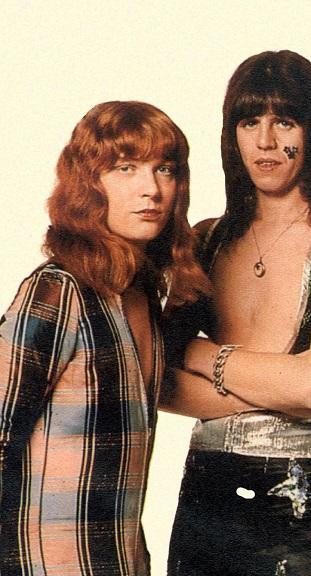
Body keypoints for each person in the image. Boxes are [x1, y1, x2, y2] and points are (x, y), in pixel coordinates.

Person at [161, 50, 311, 576]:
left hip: (300, 501)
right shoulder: (205, 239)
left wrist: (199, 353)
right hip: (204, 498)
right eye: (249, 122)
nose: (265, 141)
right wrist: (285, 392)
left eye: (284, 121)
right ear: (232, 135)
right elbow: (154, 382)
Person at [0, 101, 208, 575]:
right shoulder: (59, 291)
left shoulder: (141, 294)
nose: (151, 188)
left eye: (165, 169)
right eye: (125, 168)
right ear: (88, 183)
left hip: (120, 560)